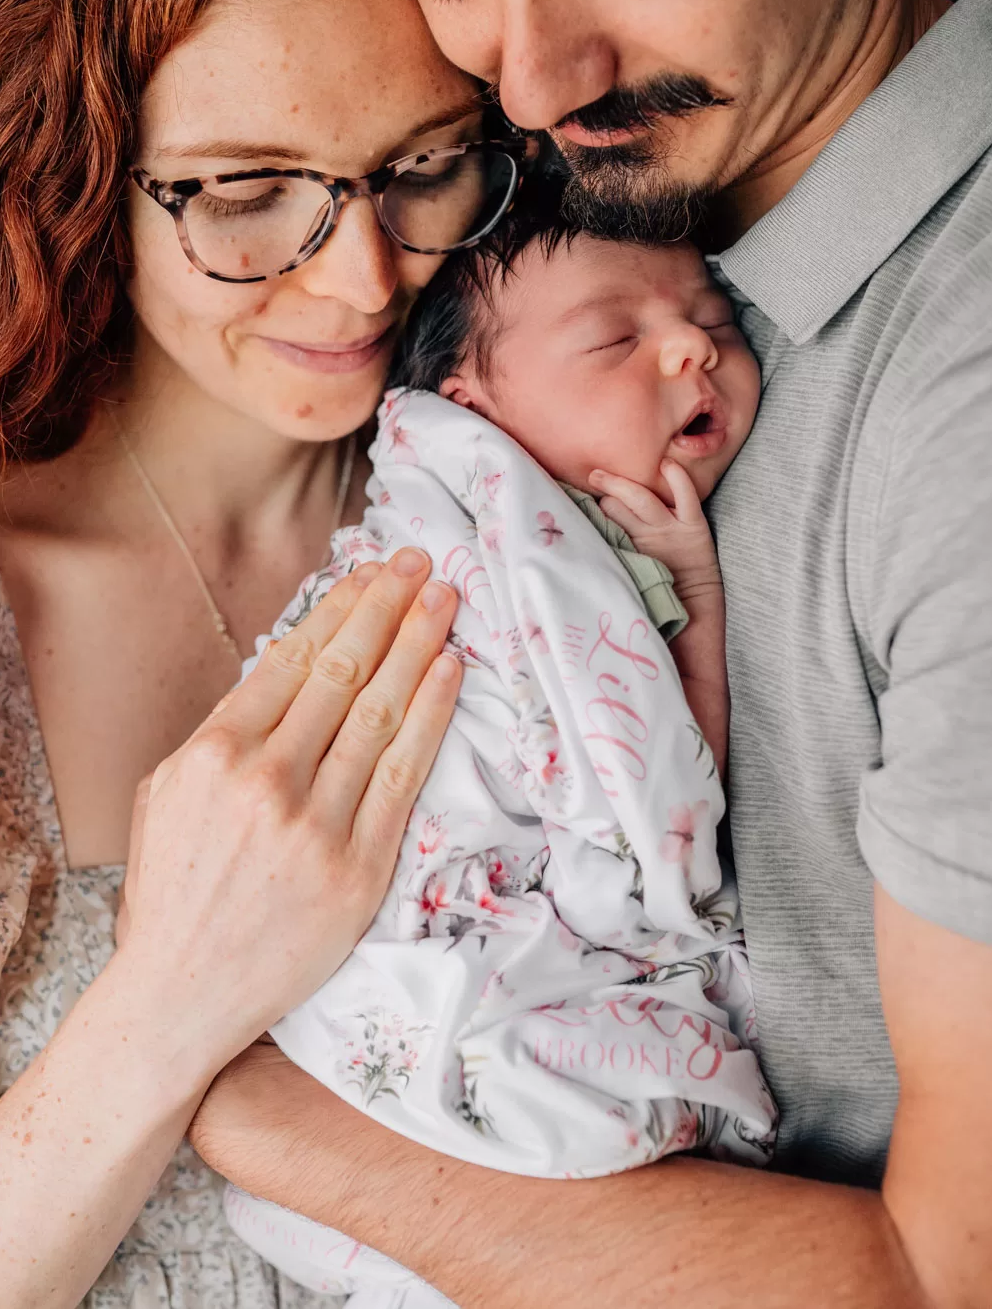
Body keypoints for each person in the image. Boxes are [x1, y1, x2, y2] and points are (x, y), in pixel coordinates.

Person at [189, 0, 992, 1307]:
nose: (533, 77)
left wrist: (251, 1112)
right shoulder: (503, 200)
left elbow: (957, 1277)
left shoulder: (978, 399)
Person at [0, 0, 572, 1308]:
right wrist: (179, 995)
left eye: (417, 169)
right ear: (72, 178)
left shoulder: (520, 511)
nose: (359, 279)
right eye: (246, 190)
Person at [222, 216, 774, 1305]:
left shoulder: (576, 535)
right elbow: (655, 806)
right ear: (472, 410)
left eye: (713, 315)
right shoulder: (510, 540)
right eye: (616, 339)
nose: (693, 347)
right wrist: (695, 596)